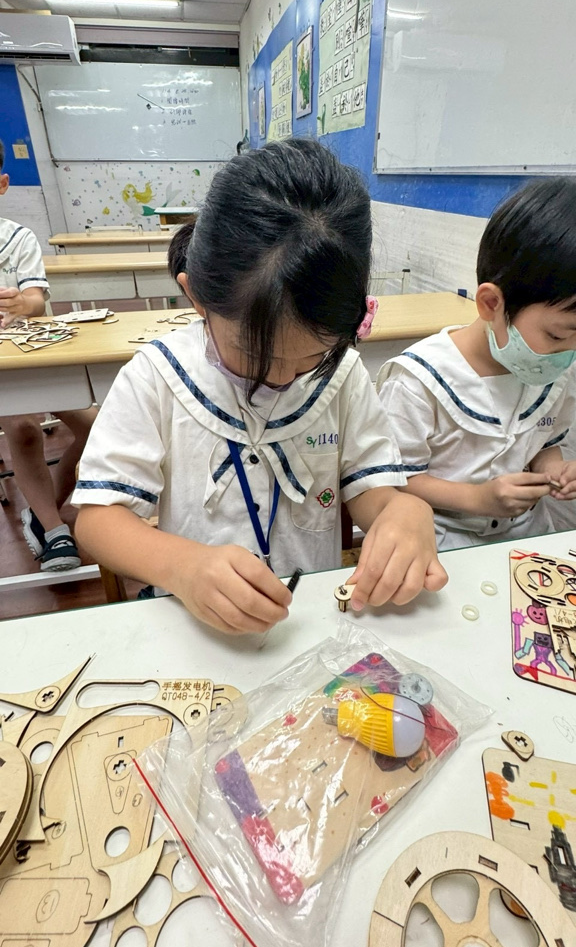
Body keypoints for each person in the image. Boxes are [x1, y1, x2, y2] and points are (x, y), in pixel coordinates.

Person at [74, 138, 446, 635]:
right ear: (196, 297)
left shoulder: (344, 376)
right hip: (194, 628)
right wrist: (181, 566)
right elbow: (98, 521)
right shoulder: (156, 376)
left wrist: (404, 510)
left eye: (312, 357)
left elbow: (372, 490)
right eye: (256, 356)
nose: (283, 378)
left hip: (309, 626)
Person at [377, 177, 576, 551]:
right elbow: (393, 480)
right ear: (490, 304)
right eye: (556, 335)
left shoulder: (557, 368)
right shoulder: (418, 381)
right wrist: (477, 499)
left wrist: (554, 470)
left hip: (524, 536)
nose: (568, 353)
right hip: (437, 538)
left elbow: (545, 441)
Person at [0, 138, 97, 571]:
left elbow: (37, 300)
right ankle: (55, 530)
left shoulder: (17, 238)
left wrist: (23, 303)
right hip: (4, 368)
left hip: (38, 354)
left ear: (2, 184)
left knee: (96, 427)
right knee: (22, 430)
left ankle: (44, 514)